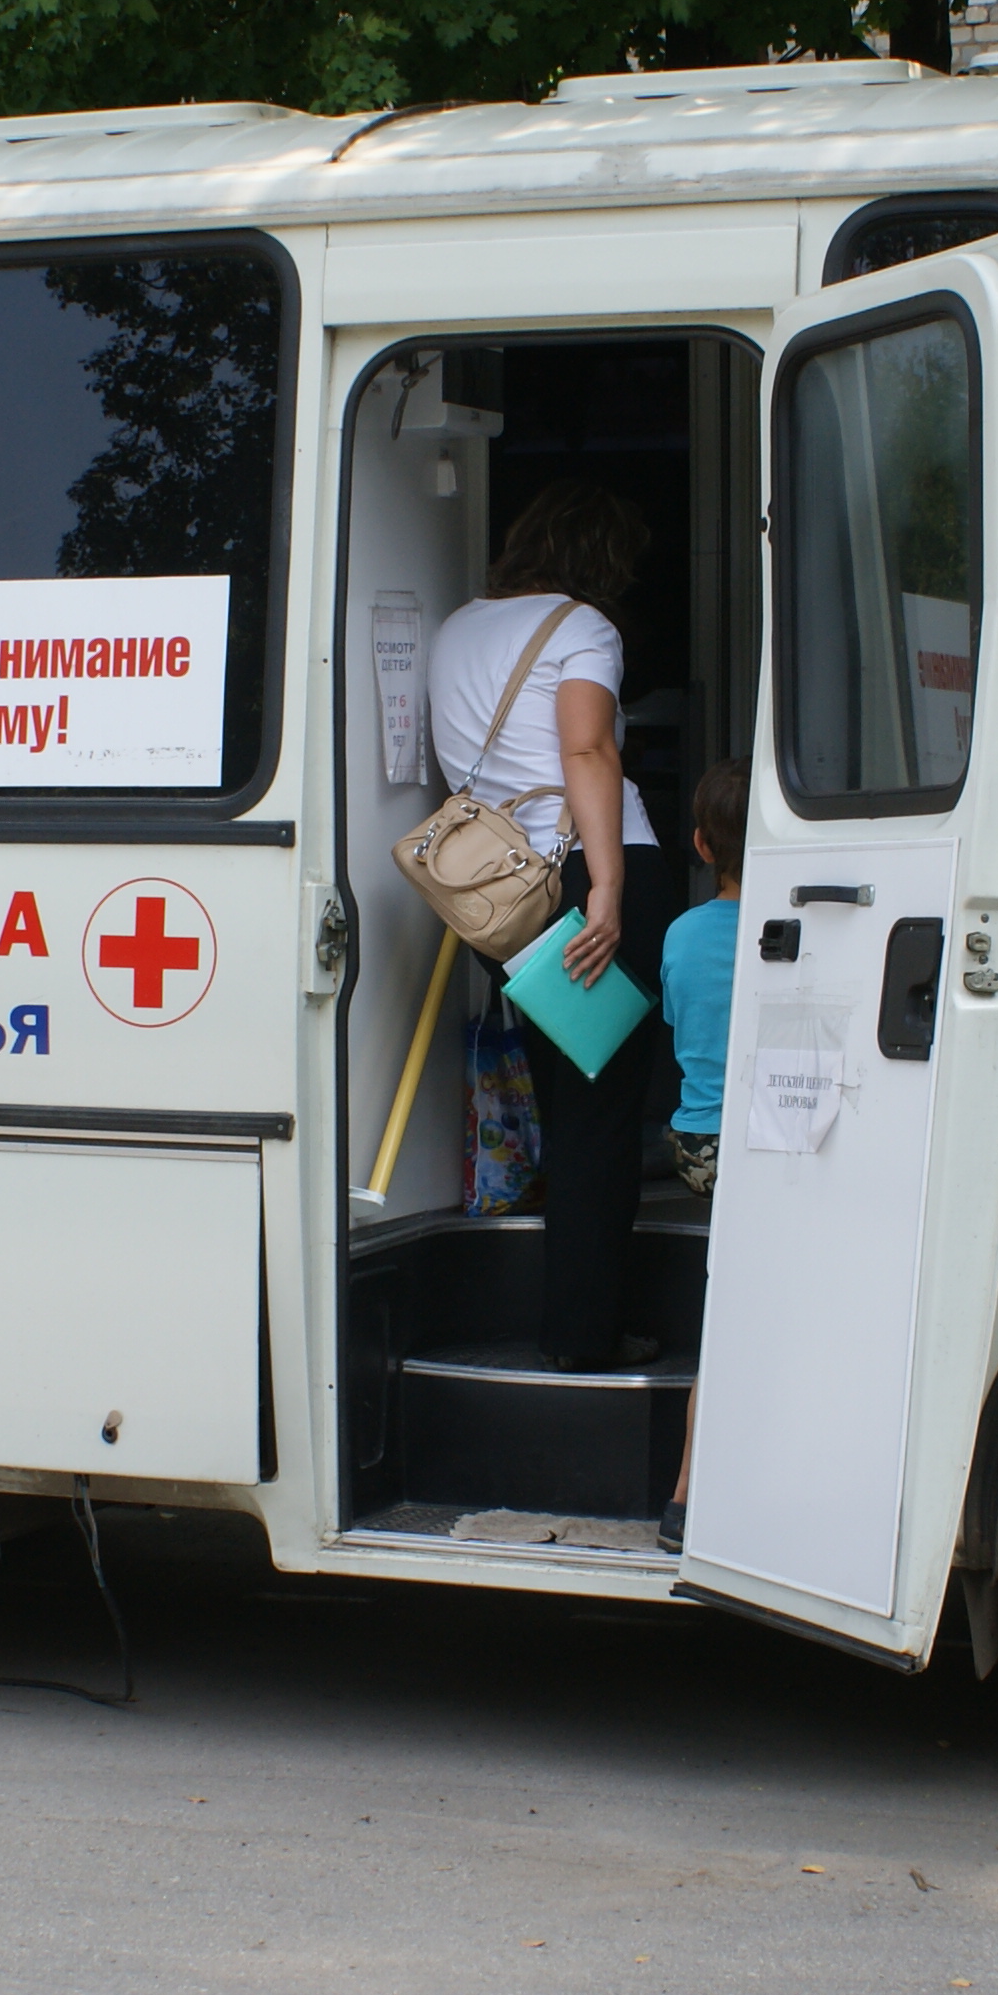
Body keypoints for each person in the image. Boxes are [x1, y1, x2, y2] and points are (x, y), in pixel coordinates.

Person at [430, 481, 679, 1374]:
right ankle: (583, 1338)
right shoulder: (584, 627)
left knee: (569, 1105)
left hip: (500, 894)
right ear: (604, 559)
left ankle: (575, 1325)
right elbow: (586, 747)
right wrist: (607, 884)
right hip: (584, 877)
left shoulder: (458, 628)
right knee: (602, 1119)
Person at [654, 757, 747, 1551]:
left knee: (732, 1305)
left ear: (701, 846)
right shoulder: (809, 932)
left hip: (698, 1145)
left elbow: (681, 1027)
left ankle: (689, 1495)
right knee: (746, 1321)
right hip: (765, 1143)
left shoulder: (682, 934)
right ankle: (694, 1494)